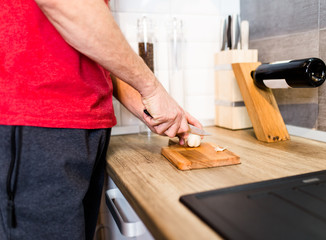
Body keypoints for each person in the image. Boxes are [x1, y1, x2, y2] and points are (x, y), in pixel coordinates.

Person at [0, 0, 202, 239]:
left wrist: (152, 111)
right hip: (39, 124)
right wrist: (153, 89)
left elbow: (95, 51)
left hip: (80, 129)